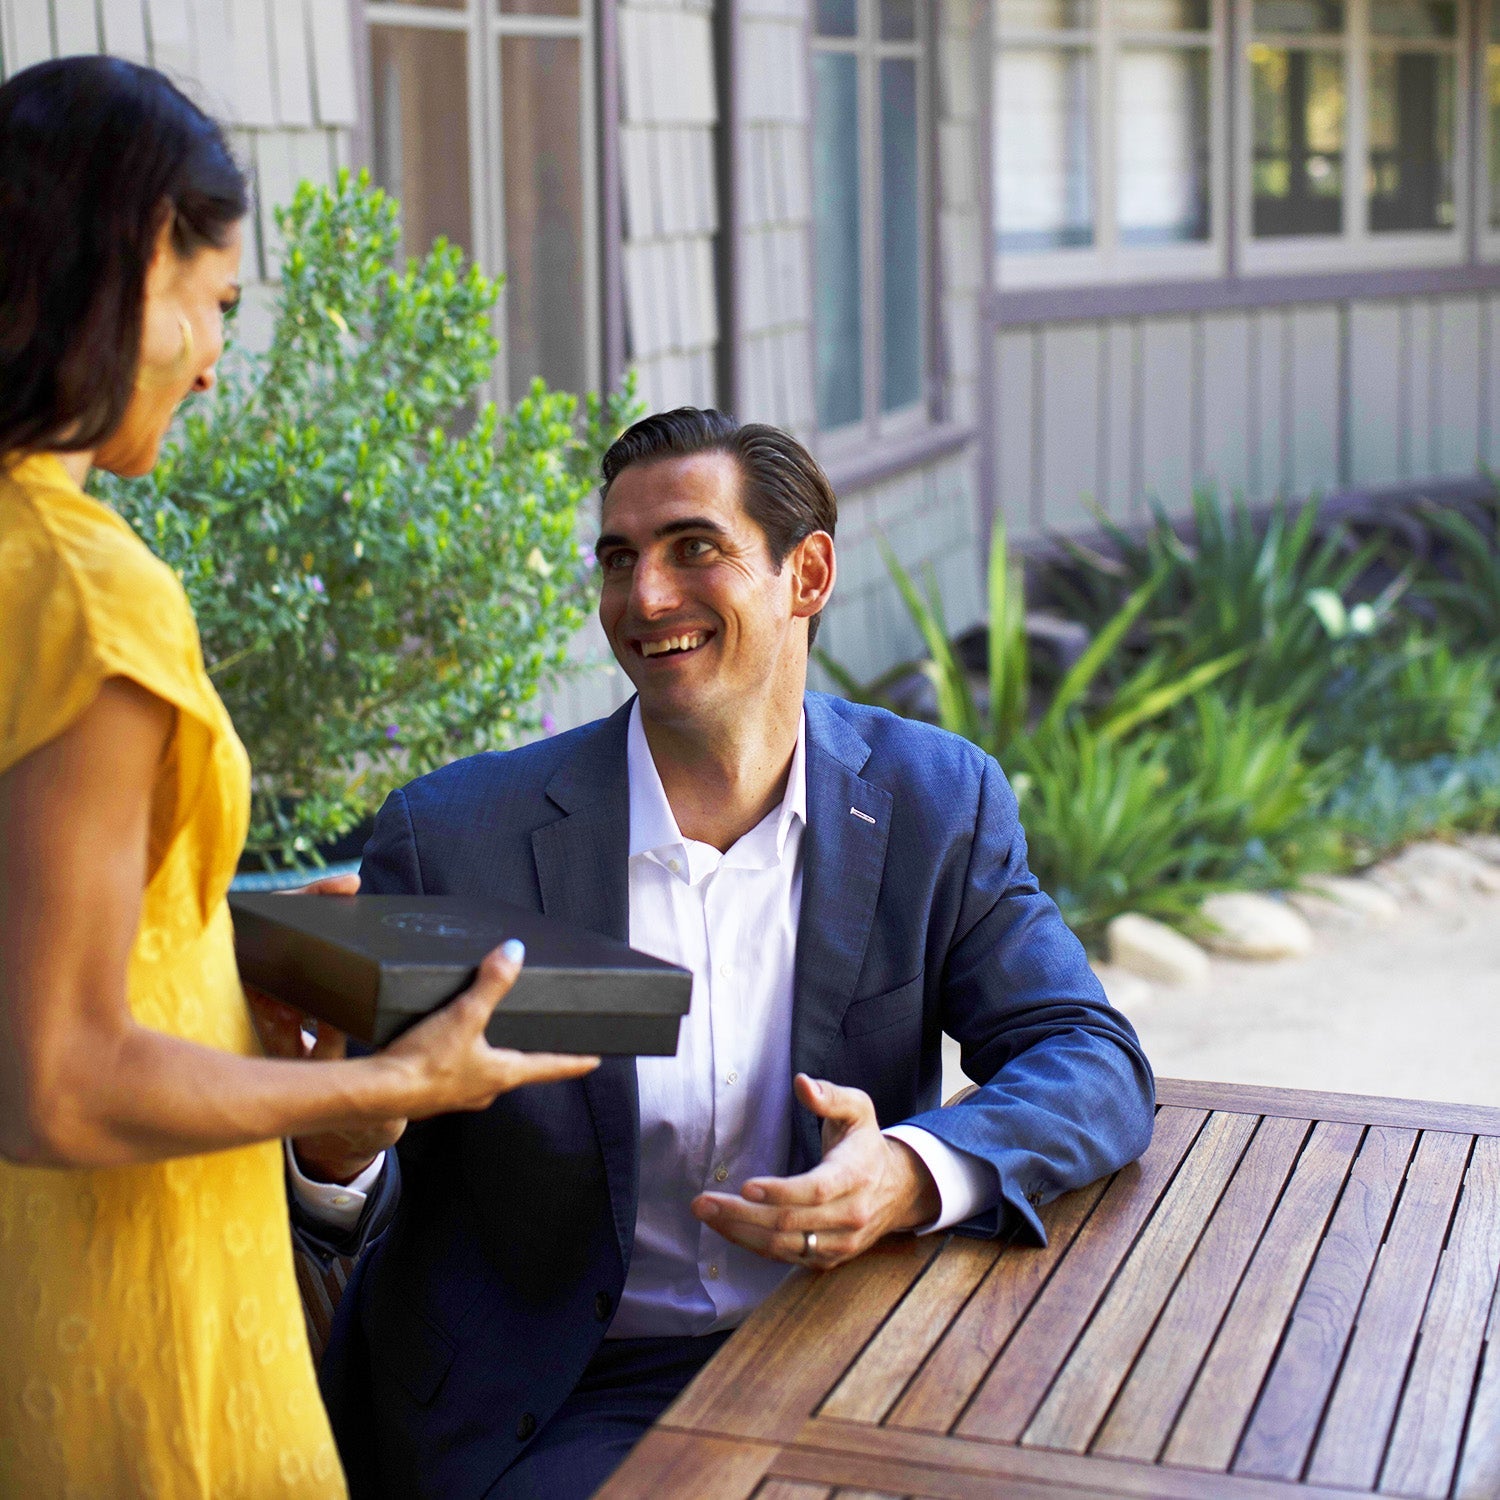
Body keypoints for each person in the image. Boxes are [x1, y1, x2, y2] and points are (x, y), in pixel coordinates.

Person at [292, 408, 1156, 1499]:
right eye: (620, 559)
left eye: (693, 548)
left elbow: (1090, 1058)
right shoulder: (455, 838)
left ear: (808, 575)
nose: (646, 597)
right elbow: (355, 1201)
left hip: (844, 1348)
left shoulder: (935, 800)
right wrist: (339, 1150)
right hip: (552, 1396)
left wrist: (906, 1172)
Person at [0, 57, 597, 1499]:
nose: (215, 360)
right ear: (141, 258)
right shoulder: (87, 594)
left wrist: (227, 953)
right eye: (217, 301)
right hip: (131, 1306)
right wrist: (403, 1076)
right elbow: (60, 1081)